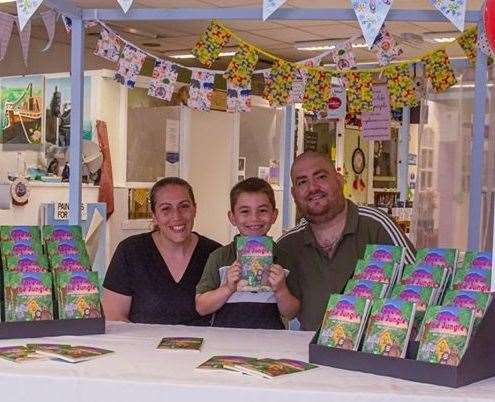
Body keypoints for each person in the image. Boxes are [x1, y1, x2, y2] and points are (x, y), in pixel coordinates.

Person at [278, 152, 415, 331]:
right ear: (294, 193)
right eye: (302, 182)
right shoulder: (287, 245)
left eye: (321, 177)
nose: (312, 188)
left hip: (373, 353)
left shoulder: (376, 226)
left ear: (339, 180)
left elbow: (419, 287)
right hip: (308, 354)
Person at [102, 177, 222, 325]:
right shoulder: (130, 252)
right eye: (166, 209)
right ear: (154, 216)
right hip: (142, 347)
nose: (176, 216)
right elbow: (114, 316)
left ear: (195, 209)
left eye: (184, 206)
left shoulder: (215, 254)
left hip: (208, 346)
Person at [195, 178, 300, 329]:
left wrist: (281, 289)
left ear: (274, 215)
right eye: (245, 211)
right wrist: (228, 288)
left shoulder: (285, 259)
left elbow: (291, 313)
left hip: (271, 343)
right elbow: (201, 307)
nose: (254, 218)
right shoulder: (219, 257)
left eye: (262, 210)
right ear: (232, 218)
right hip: (225, 342)